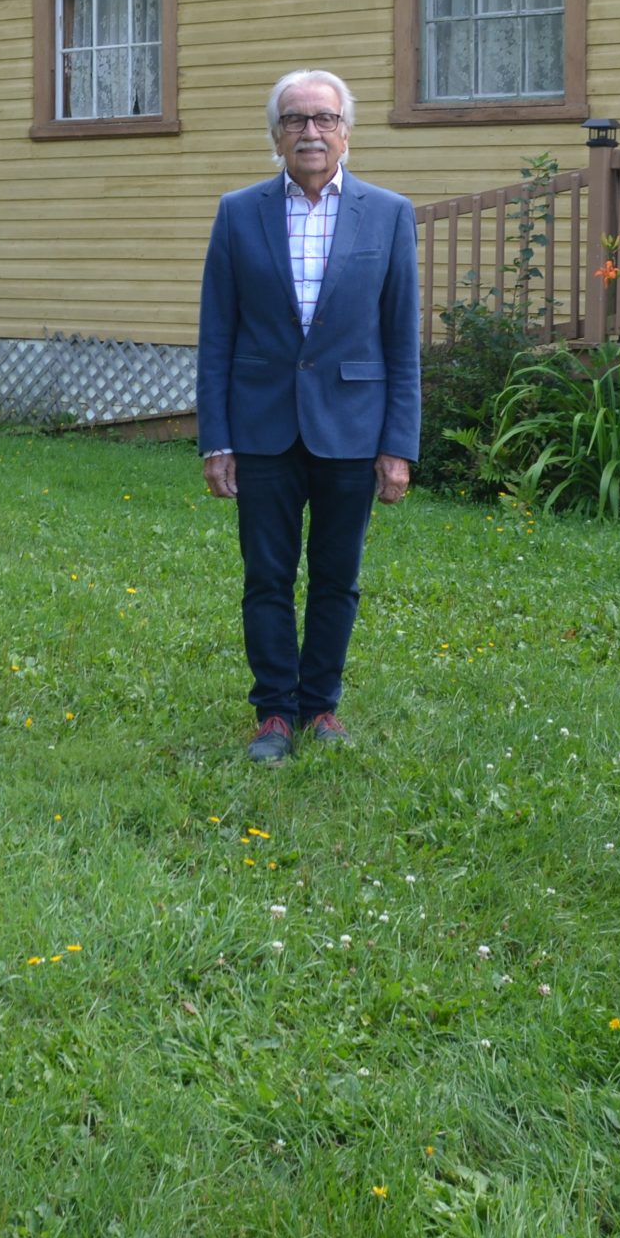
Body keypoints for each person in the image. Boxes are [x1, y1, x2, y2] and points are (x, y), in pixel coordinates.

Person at [197, 69, 420, 762]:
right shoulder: (239, 213)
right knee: (266, 575)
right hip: (261, 425)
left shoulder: (387, 214)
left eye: (323, 119)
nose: (310, 132)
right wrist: (217, 438)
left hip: (353, 426)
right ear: (276, 135)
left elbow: (400, 338)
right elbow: (217, 335)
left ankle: (321, 706)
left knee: (335, 574)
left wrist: (399, 443)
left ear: (346, 132)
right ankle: (274, 714)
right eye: (295, 120)